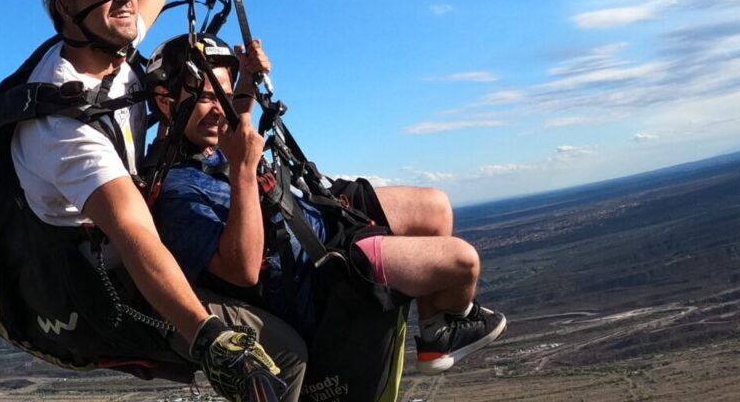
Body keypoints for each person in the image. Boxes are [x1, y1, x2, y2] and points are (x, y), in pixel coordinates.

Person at [10, 0, 308, 402]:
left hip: (129, 252)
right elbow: (132, 231)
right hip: (106, 286)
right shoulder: (62, 124)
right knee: (283, 350)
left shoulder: (108, 40)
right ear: (66, 10)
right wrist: (206, 334)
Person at [147, 34, 507, 375]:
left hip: (318, 221)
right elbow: (242, 271)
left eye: (222, 96)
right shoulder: (178, 191)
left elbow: (231, 114)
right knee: (462, 262)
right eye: (207, 98)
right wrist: (244, 169)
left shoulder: (207, 147)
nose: (219, 111)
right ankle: (437, 321)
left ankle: (435, 334)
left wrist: (247, 81)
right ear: (166, 102)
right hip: (316, 273)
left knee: (436, 207)